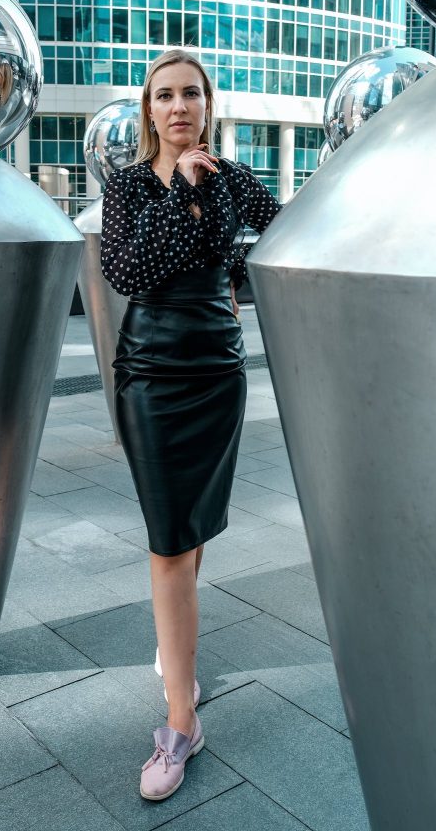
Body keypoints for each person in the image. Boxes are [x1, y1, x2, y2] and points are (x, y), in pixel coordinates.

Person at [100, 49, 281, 802]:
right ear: (150, 112)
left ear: (208, 104)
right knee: (169, 541)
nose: (177, 107)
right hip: (152, 373)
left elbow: (289, 240)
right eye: (164, 96)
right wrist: (176, 190)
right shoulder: (131, 185)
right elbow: (130, 271)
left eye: (190, 94)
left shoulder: (239, 180)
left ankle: (175, 655)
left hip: (216, 373)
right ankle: (182, 721)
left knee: (191, 531)